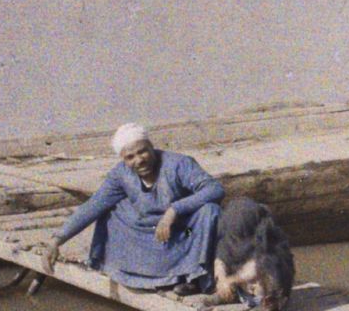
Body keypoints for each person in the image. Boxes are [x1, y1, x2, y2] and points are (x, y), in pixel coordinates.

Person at [43, 123, 224, 295]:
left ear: (151, 147)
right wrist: (56, 241)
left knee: (210, 210)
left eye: (143, 151)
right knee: (110, 208)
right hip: (148, 232)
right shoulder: (120, 174)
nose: (139, 160)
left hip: (182, 230)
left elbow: (214, 189)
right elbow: (93, 205)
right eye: (130, 157)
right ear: (123, 159)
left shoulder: (179, 164)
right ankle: (135, 271)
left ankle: (194, 276)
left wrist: (174, 210)